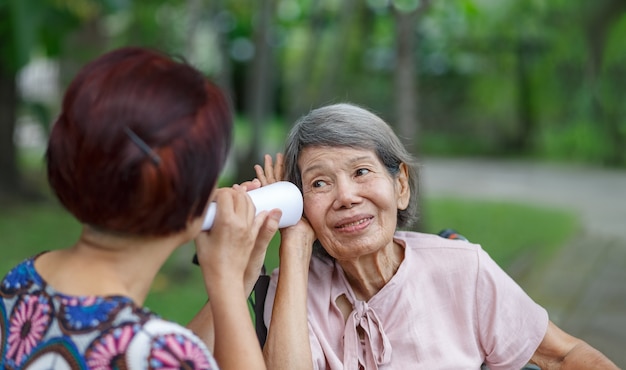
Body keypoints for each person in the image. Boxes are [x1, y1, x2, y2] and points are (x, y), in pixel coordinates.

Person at [254, 103, 618, 369]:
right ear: (301, 204)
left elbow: (564, 355)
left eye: (362, 171)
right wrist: (295, 243)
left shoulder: (461, 268)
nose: (347, 196)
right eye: (319, 183)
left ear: (400, 186)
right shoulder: (291, 291)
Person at [0, 47, 278, 369]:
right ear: (190, 191)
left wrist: (242, 277)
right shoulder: (160, 350)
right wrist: (226, 280)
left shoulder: (23, 281)